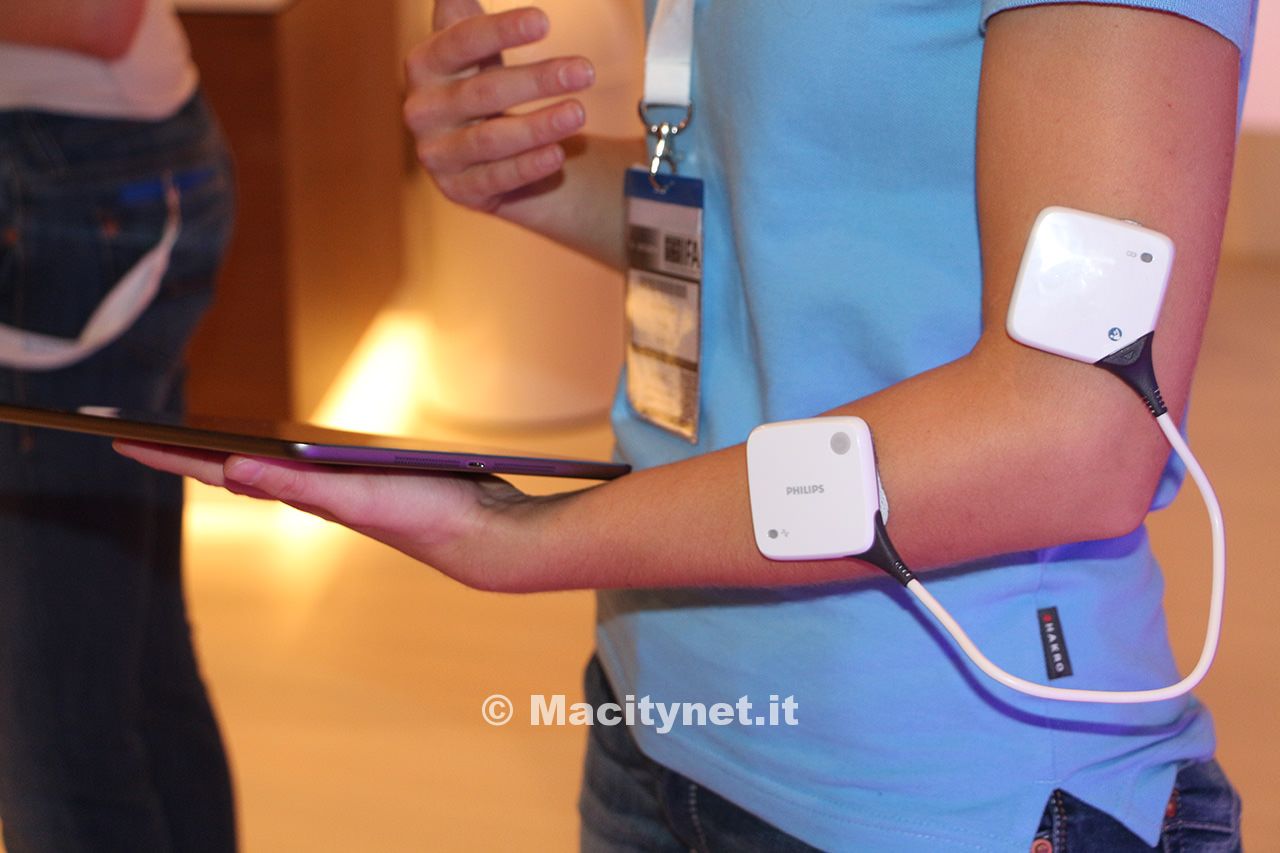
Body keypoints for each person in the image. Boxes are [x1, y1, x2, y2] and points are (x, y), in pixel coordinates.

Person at [119, 0, 1257, 849]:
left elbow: (1074, 434)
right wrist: (530, 177)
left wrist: (523, 539)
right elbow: (785, 225)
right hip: (656, 713)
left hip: (945, 785)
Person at [0, 1, 237, 850]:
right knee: (129, 669)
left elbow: (97, 13)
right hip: (86, 183)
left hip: (70, 200)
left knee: (58, 735)